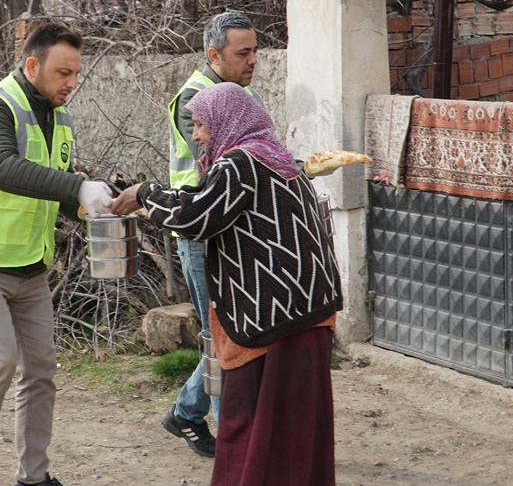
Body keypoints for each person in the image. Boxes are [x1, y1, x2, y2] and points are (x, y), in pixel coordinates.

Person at [111, 82, 342, 485]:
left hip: (274, 317)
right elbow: (206, 198)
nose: (196, 135)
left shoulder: (240, 162)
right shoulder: (275, 157)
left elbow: (197, 217)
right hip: (306, 310)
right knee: (296, 423)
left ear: (226, 121)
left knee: (248, 417)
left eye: (200, 124)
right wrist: (160, 197)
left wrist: (145, 193)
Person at [0, 22, 114, 486]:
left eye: (76, 73)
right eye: (63, 73)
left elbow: (49, 190)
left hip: (30, 266)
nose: (71, 83)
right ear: (32, 65)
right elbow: (1, 168)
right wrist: (77, 184)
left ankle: (33, 477)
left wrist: (92, 208)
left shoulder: (59, 117)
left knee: (40, 371)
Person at [162, 11, 262, 457]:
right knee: (218, 333)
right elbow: (224, 156)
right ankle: (232, 439)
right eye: (244, 52)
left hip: (233, 230)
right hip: (202, 232)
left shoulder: (241, 92)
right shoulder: (195, 98)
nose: (253, 59)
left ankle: (187, 412)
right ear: (213, 55)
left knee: (228, 332)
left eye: (255, 50)